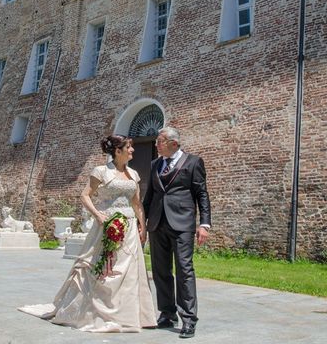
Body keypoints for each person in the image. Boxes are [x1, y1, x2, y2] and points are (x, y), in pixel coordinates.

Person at [18, 135, 157, 332]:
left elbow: (136, 203)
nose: (132, 150)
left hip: (129, 227)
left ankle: (129, 314)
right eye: (129, 147)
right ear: (118, 151)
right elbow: (85, 195)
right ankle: (91, 312)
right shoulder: (101, 171)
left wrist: (142, 226)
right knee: (101, 265)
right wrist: (98, 215)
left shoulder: (134, 174)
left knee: (129, 270)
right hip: (106, 224)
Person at [142, 127, 211, 339]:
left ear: (173, 143)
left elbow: (202, 194)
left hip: (182, 225)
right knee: (160, 270)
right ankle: (167, 313)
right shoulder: (155, 164)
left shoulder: (193, 162)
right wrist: (142, 222)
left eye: (159, 141)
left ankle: (189, 319)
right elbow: (150, 196)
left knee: (184, 270)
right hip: (157, 224)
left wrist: (204, 224)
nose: (156, 145)